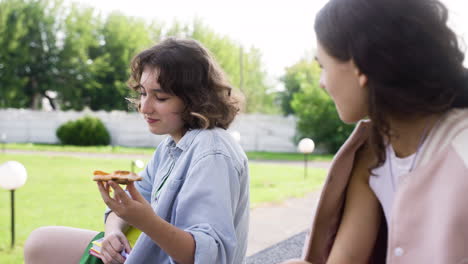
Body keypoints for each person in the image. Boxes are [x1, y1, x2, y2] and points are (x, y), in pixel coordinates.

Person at [24, 38, 250, 264]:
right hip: (139, 253)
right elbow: (131, 207)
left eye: (160, 97)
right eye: (143, 93)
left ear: (194, 99)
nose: (144, 107)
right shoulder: (171, 147)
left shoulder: (213, 154)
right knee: (40, 243)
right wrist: (113, 232)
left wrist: (146, 221)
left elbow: (207, 257)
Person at [282, 0, 468, 263]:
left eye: (323, 67)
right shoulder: (374, 155)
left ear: (359, 66)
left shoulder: (461, 149)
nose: (322, 83)